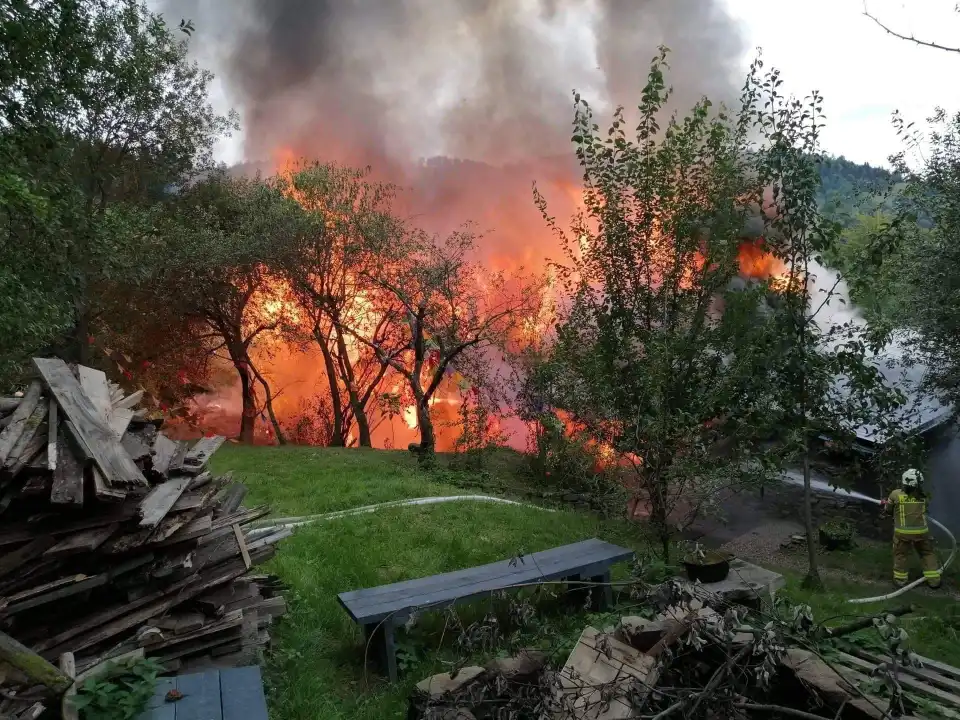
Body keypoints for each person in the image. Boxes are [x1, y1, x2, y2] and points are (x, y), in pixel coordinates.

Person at [882, 469, 941, 589]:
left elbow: (888, 510)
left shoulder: (895, 494)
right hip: (922, 532)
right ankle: (934, 581)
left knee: (901, 554)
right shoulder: (923, 497)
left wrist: (886, 504)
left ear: (904, 482)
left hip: (903, 533)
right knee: (927, 553)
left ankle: (900, 580)